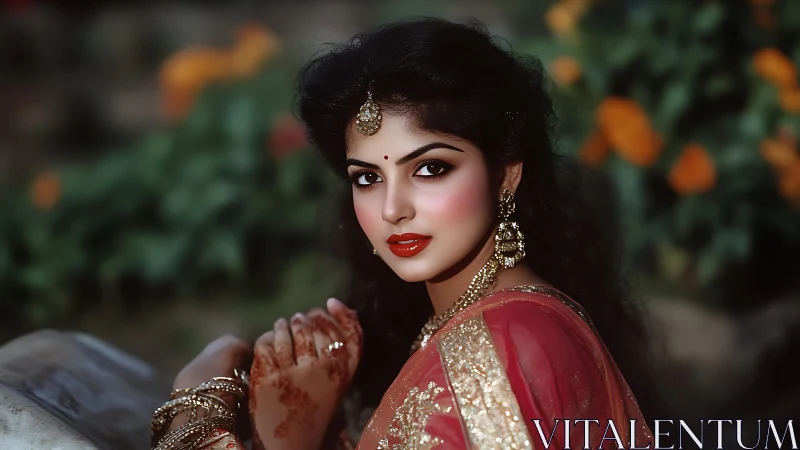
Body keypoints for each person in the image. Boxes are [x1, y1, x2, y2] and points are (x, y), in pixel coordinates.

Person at [150, 18, 659, 450]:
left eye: (430, 169)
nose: (393, 209)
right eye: (367, 178)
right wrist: (300, 426)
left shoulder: (498, 350)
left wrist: (196, 404)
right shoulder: (498, 323)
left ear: (505, 175)